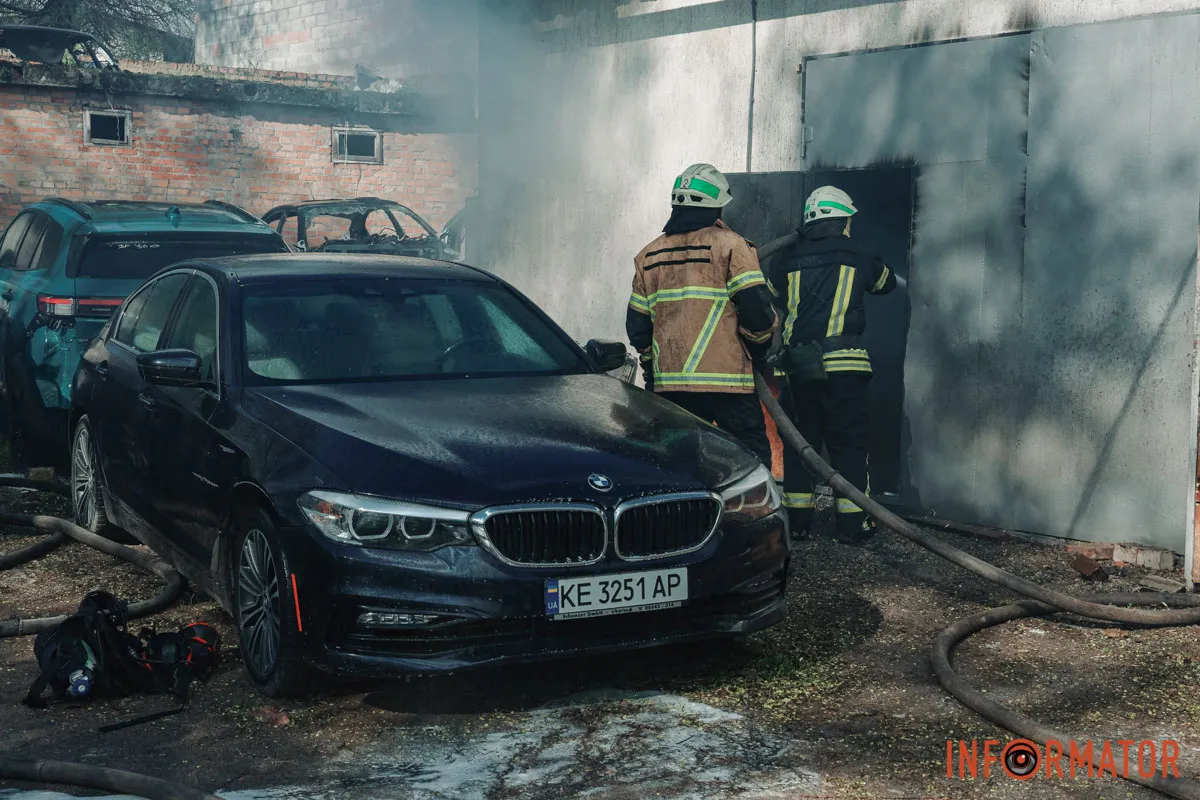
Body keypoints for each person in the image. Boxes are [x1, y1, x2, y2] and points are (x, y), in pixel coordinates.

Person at [767, 185, 903, 543]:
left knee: (800, 447)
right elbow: (886, 283)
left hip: (799, 368)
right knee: (849, 446)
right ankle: (853, 525)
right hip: (845, 367)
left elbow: (771, 294)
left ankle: (798, 524)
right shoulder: (859, 254)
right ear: (843, 221)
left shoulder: (786, 258)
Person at [626, 163, 777, 465]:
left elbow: (638, 327)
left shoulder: (649, 255)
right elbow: (757, 314)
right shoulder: (732, 246)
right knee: (750, 463)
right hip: (727, 384)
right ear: (717, 205)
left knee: (679, 466)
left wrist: (653, 367)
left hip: (670, 387)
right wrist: (757, 352)